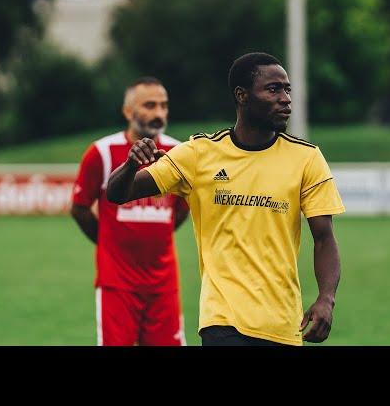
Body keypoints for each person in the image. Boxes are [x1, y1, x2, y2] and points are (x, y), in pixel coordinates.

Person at [106, 53, 345, 346]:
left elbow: (324, 238)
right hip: (222, 321)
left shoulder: (307, 158)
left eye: (287, 89)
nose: (285, 99)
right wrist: (131, 164)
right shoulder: (198, 154)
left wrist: (326, 299)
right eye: (273, 89)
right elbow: (118, 193)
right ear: (242, 96)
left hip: (282, 324)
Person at [71, 77, 190, 346]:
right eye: (149, 105)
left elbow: (182, 209)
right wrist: (108, 243)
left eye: (163, 105)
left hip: (164, 284)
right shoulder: (101, 152)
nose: (158, 113)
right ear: (128, 111)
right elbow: (78, 208)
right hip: (117, 284)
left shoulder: (179, 152)